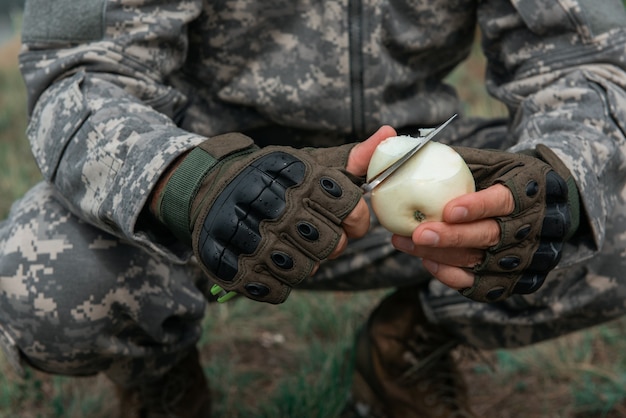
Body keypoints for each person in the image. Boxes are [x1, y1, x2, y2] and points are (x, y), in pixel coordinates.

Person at [2, 0, 626, 416]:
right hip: (211, 205)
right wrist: (190, 181)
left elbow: (583, 60)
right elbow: (79, 75)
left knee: (595, 201)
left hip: (416, 193)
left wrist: (559, 175)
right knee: (48, 276)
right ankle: (160, 377)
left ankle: (408, 345)